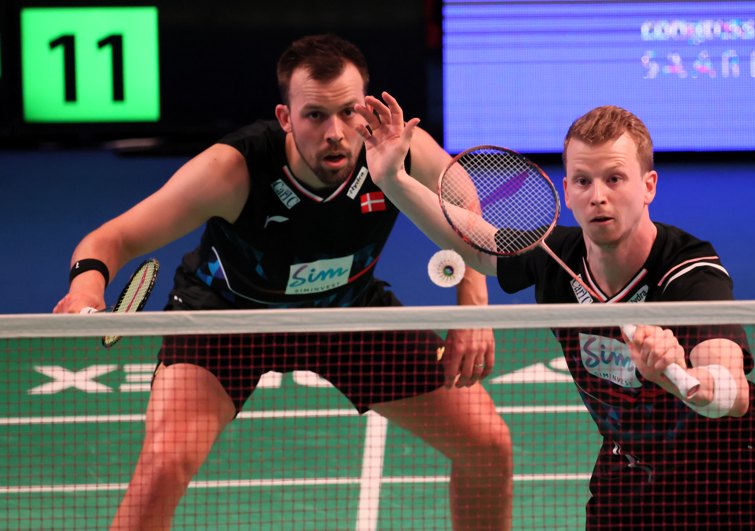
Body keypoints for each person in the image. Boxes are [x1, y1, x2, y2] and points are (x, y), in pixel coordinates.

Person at [54, 34, 513, 530]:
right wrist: (85, 290)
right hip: (227, 320)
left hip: (348, 313)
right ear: (286, 118)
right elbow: (114, 238)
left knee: (488, 447)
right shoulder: (232, 170)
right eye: (315, 115)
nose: (335, 132)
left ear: (368, 110)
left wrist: (473, 310)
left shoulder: (397, 149)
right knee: (164, 464)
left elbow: (465, 209)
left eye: (349, 112)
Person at [355, 96, 755, 529]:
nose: (598, 196)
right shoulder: (556, 256)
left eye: (615, 178)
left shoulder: (687, 270)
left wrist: (679, 374)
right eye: (584, 181)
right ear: (567, 191)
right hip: (633, 476)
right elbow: (476, 240)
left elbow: (733, 392)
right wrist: (394, 180)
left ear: (648, 186)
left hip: (737, 486)